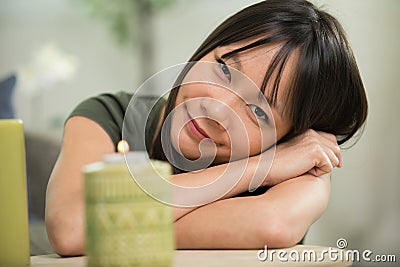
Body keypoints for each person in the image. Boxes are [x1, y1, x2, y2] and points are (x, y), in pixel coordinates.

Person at [45, 0, 368, 256]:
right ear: (207, 48)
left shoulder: (303, 158)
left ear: (292, 134)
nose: (217, 110)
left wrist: (112, 228)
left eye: (257, 110)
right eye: (225, 70)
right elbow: (71, 229)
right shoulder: (110, 116)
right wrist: (258, 168)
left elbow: (273, 225)